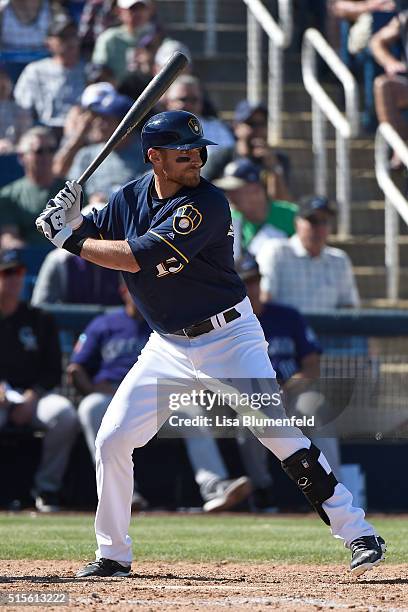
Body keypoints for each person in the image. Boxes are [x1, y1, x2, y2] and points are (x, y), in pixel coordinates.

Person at [35, 109, 386, 578]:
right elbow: (98, 231)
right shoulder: (131, 196)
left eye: (198, 150)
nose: (196, 158)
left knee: (276, 432)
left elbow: (136, 257)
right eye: (184, 152)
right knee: (114, 438)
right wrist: (72, 216)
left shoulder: (207, 204)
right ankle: (113, 554)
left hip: (228, 337)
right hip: (167, 345)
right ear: (154, 157)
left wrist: (69, 238)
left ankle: (358, 531)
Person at [67, 278, 252, 512]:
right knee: (90, 407)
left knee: (192, 412)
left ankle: (213, 486)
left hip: (156, 398)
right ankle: (123, 494)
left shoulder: (163, 321)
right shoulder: (104, 323)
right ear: (123, 290)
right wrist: (93, 390)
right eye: (132, 286)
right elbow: (76, 368)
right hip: (109, 394)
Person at [235, 252, 342, 482]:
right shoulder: (229, 325)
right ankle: (262, 490)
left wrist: (288, 388)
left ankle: (335, 487)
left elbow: (312, 366)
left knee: (315, 407)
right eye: (245, 282)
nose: (251, 288)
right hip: (253, 399)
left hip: (292, 394)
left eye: (254, 281)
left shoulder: (287, 316)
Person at [0, 248, 79, 512]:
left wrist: (33, 396)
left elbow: (52, 370)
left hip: (34, 395)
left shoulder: (38, 318)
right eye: (7, 273)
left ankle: (47, 488)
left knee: (64, 414)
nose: (14, 279)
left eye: (19, 273)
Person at [257, 195, 360, 310]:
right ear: (296, 224)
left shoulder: (339, 260)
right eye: (313, 220)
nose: (319, 227)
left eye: (324, 221)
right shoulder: (276, 252)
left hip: (327, 328)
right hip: (286, 327)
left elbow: (349, 309)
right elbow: (263, 301)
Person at [55, 89, 148, 197]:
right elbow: (59, 174)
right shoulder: (88, 154)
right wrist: (79, 136)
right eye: (97, 117)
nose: (98, 123)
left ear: (125, 124)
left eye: (106, 119)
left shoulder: (146, 155)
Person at [204, 100, 291, 202]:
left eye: (262, 124)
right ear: (236, 127)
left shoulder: (278, 160)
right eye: (251, 124)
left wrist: (273, 169)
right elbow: (202, 194)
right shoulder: (221, 157)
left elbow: (282, 204)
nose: (258, 129)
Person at [13, 14, 86, 134]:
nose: (70, 41)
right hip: (44, 132)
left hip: (80, 134)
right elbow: (22, 108)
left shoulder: (90, 70)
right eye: (63, 37)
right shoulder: (35, 71)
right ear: (48, 43)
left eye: (73, 35)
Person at [213, 158, 298, 259]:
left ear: (256, 190)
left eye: (236, 190)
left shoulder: (291, 215)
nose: (230, 196)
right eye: (228, 190)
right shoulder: (227, 220)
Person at [0, 126, 66, 245]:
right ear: (21, 157)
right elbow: (9, 237)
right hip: (29, 260)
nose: (46, 156)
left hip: (68, 257)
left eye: (51, 150)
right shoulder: (9, 195)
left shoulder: (70, 189)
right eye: (39, 151)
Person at [371, 2, 408, 168]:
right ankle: (399, 149)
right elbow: (376, 41)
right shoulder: (404, 18)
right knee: (383, 86)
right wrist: (390, 62)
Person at [91, 0, 156, 82]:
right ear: (119, 11)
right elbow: (98, 68)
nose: (139, 13)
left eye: (142, 8)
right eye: (133, 9)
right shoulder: (109, 38)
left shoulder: (155, 35)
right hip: (116, 92)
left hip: (150, 91)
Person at [0, 68, 32, 154]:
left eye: (4, 79)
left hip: (15, 154)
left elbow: (25, 136)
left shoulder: (21, 111)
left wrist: (15, 147)